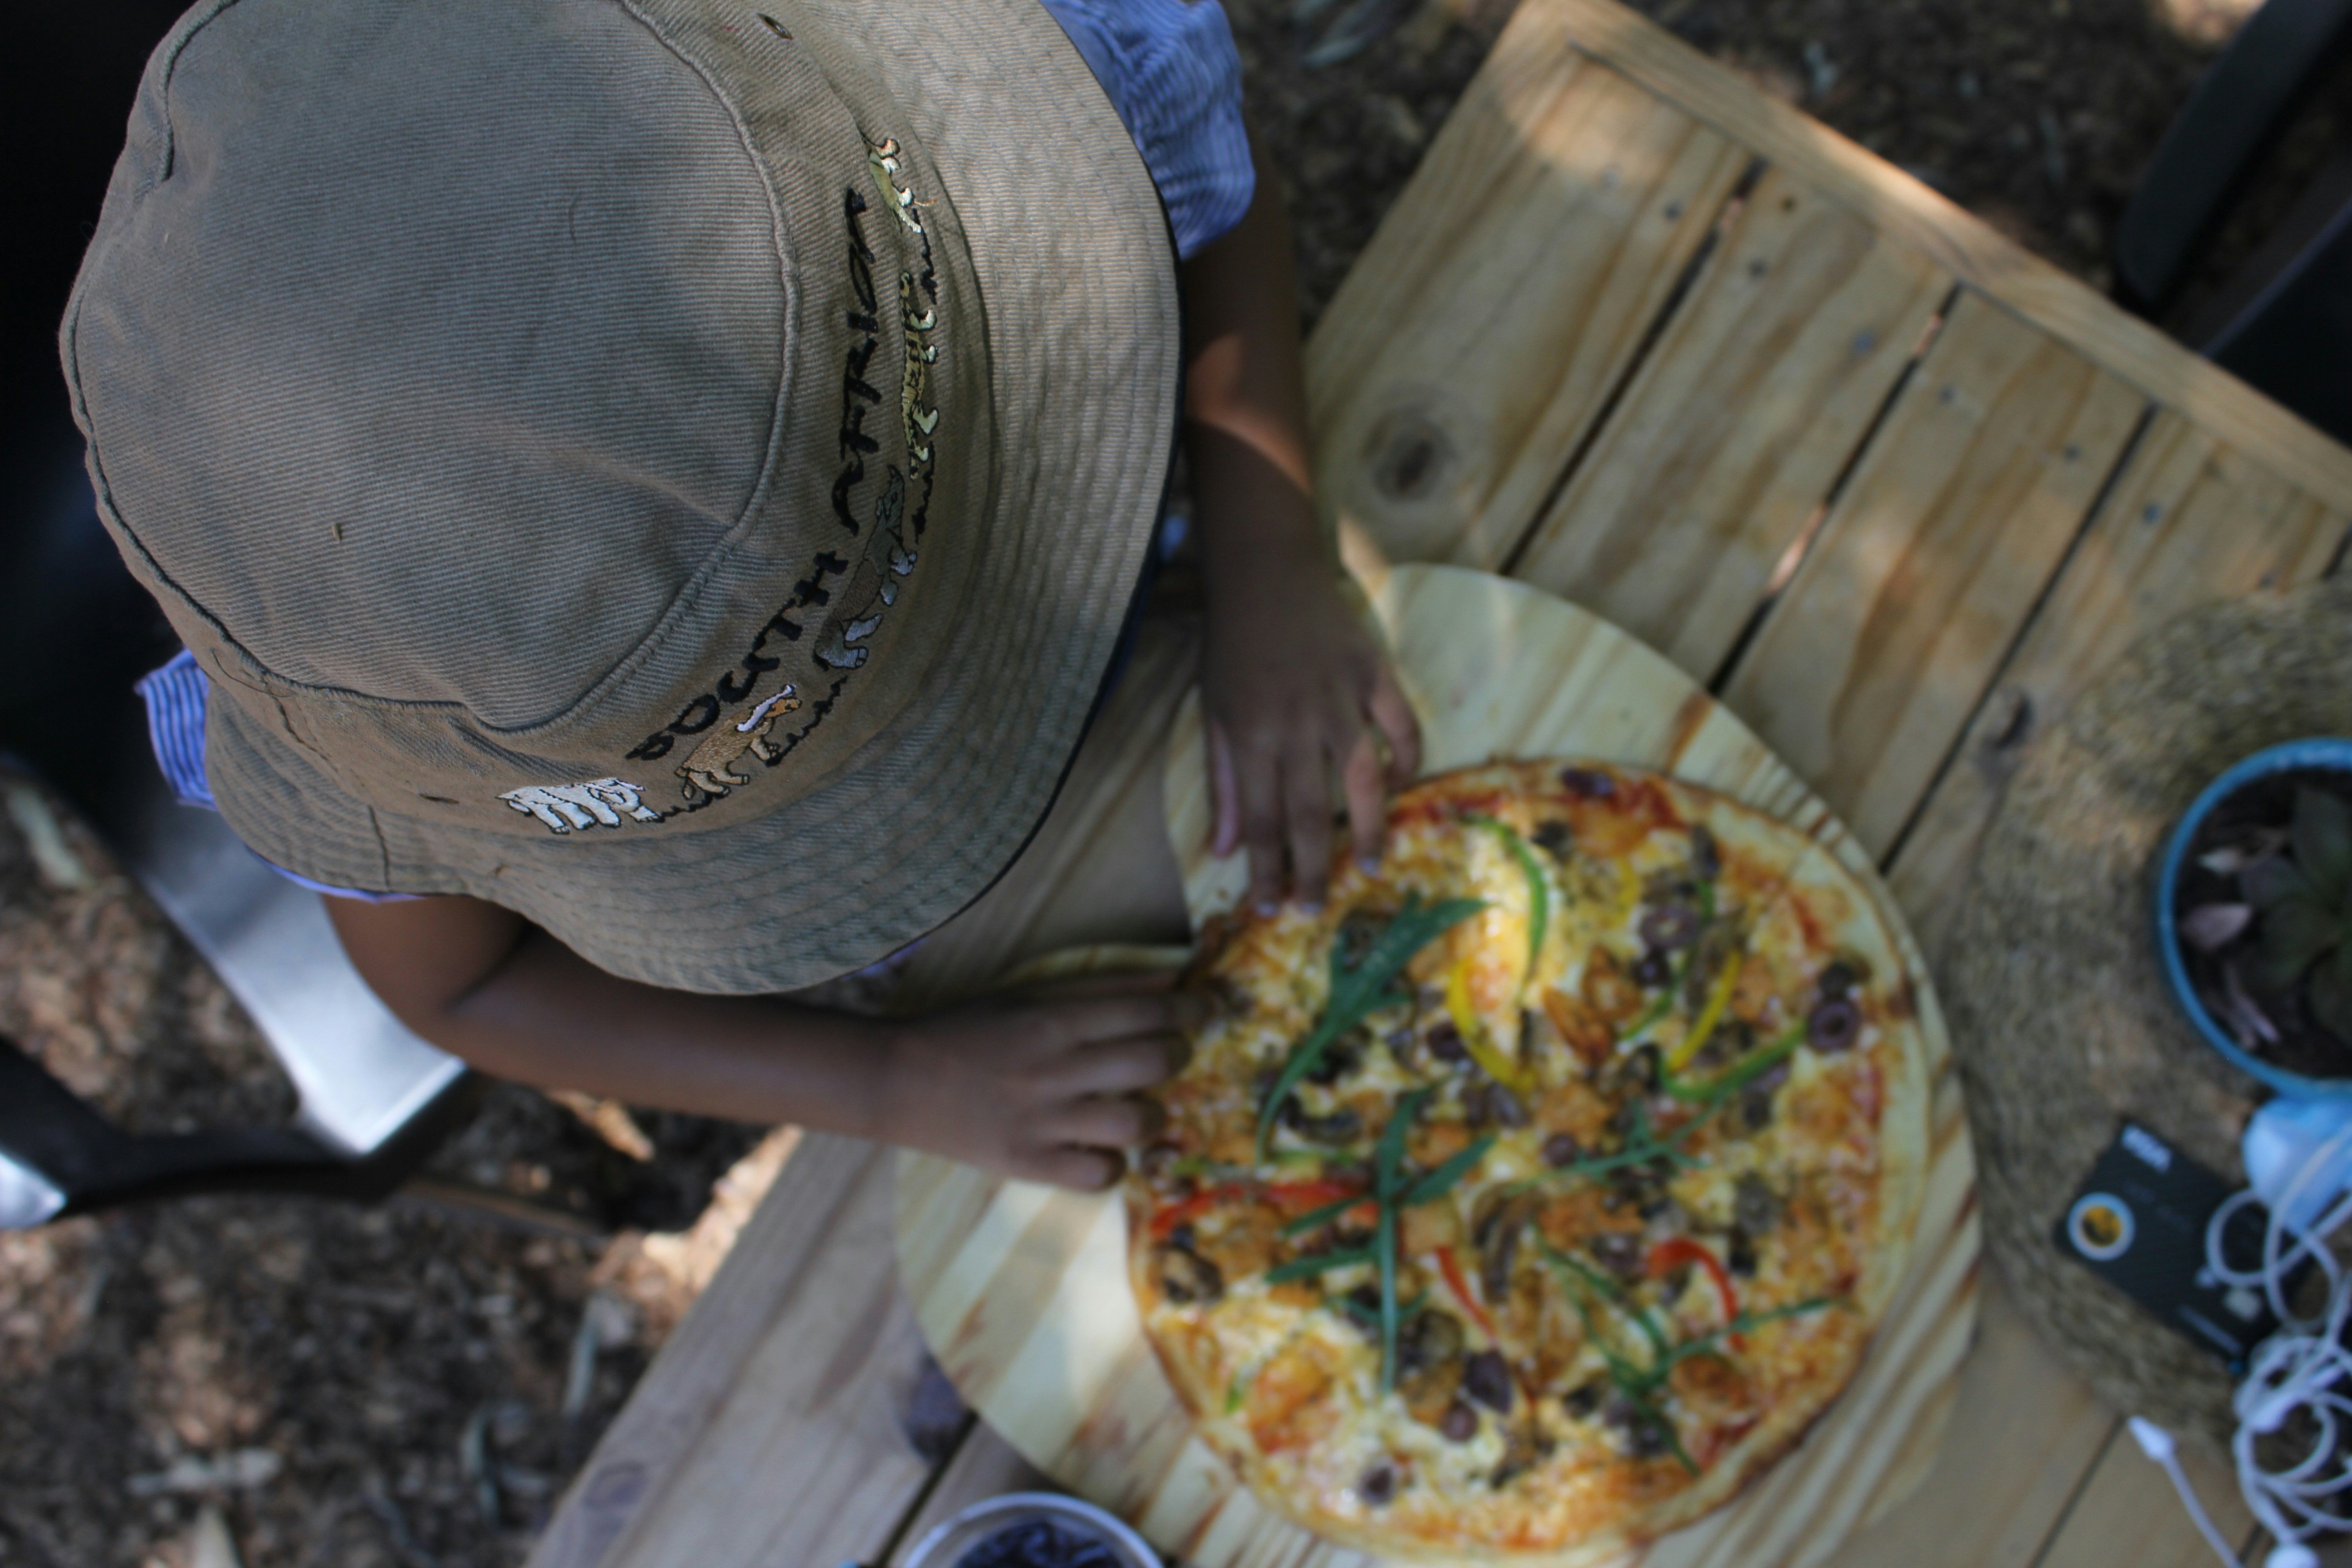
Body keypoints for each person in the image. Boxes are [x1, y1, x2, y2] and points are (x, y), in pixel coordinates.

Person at [67, 0, 1419, 1191]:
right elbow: (464, 985)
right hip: (988, 955)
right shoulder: (383, 688)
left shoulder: (1043, 52)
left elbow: (1205, 197)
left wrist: (1266, 556)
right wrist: (899, 1083)